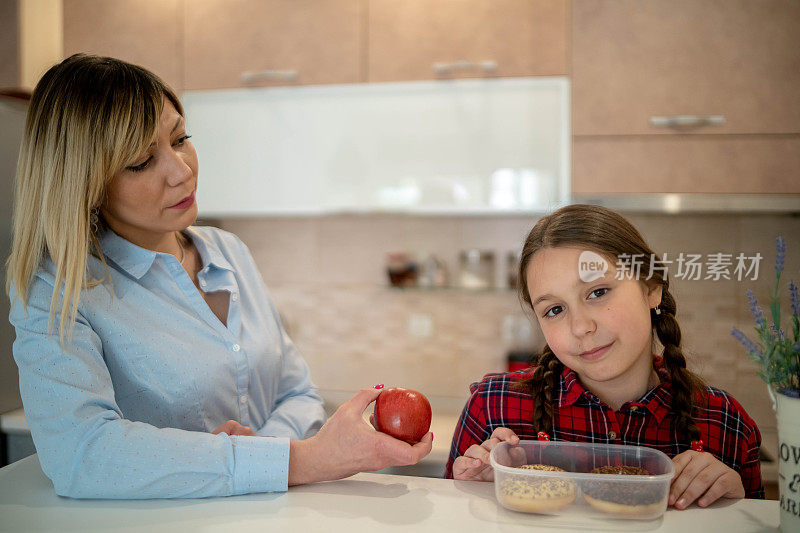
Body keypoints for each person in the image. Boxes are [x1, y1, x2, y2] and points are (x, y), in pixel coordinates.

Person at [6, 54, 432, 499]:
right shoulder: (57, 289)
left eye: (180, 138)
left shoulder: (229, 251)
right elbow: (84, 453)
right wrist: (301, 460)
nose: (181, 169)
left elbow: (298, 392)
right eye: (140, 162)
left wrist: (260, 456)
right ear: (84, 182)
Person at [446, 204, 764, 508]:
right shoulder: (492, 408)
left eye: (598, 292)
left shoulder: (726, 424)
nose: (581, 327)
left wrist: (734, 507)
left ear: (651, 287)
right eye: (555, 309)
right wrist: (477, 496)